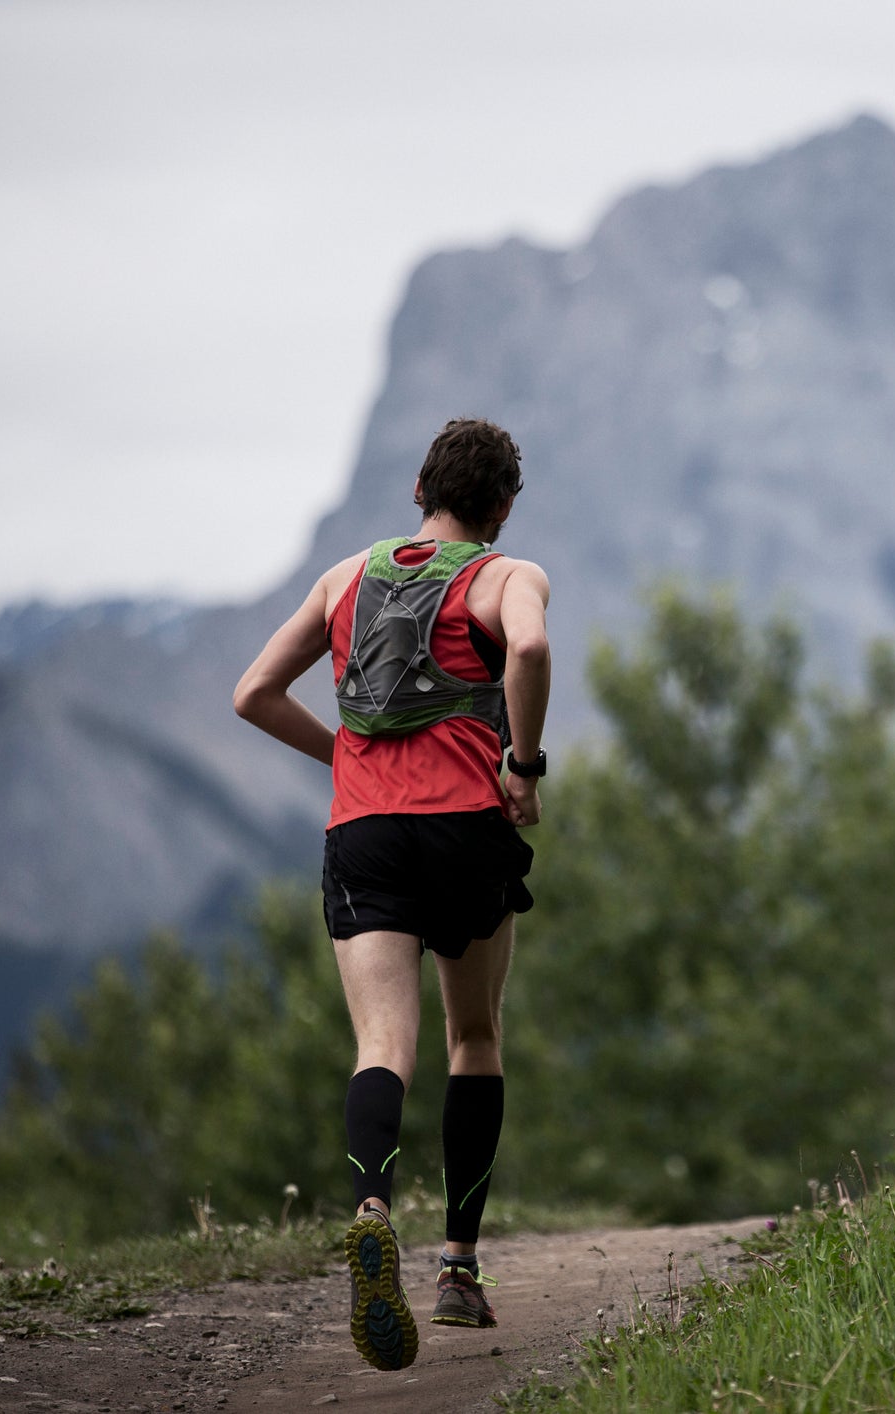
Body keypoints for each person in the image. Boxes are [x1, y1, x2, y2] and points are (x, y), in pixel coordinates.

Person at [233, 418, 550, 1370]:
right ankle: (457, 1269)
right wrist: (524, 766)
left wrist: (351, 758)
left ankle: (372, 1204)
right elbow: (527, 654)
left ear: (419, 489)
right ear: (500, 507)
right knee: (475, 1038)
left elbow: (253, 693)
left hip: (363, 834)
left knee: (382, 1044)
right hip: (465, 829)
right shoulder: (505, 575)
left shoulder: (344, 578)